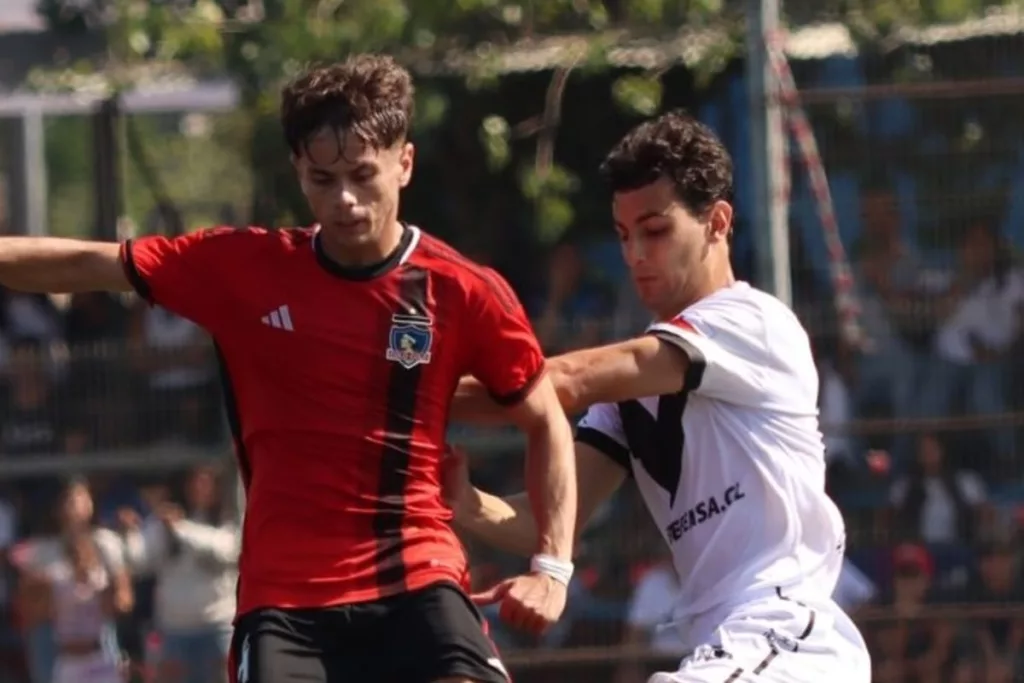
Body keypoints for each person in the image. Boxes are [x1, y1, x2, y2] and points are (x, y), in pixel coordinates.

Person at [0, 54, 578, 683]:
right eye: (323, 179)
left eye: (363, 174)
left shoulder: (462, 290)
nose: (347, 199)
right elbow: (87, 265)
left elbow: (546, 419)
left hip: (417, 576)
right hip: (287, 601)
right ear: (300, 172)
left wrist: (552, 567)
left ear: (404, 163)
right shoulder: (243, 269)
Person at [450, 110, 871, 682]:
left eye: (655, 230)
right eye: (624, 236)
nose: (635, 256)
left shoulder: (750, 322)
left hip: (785, 638)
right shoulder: (632, 394)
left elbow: (564, 381)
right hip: (724, 645)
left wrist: (406, 390)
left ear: (718, 222)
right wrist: (464, 499)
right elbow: (547, 523)